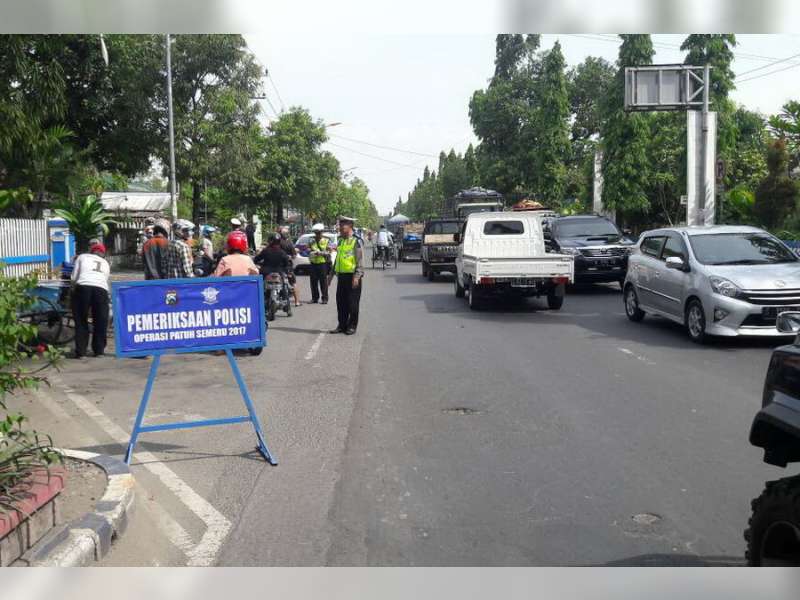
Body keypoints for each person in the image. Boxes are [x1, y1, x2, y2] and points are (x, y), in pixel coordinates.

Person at [70, 243, 111, 358]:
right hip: (101, 290)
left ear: (91, 251)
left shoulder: (82, 257)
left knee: (81, 319)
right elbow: (105, 278)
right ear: (103, 254)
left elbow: (74, 277)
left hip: (83, 287)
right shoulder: (106, 263)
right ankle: (99, 351)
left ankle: (81, 352)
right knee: (100, 320)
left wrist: (73, 289)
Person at [329, 216, 364, 335]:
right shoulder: (340, 241)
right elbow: (337, 260)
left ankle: (352, 326)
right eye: (339, 226)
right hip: (342, 277)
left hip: (352, 277)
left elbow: (359, 261)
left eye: (342, 226)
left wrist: (357, 276)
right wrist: (330, 276)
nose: (339, 229)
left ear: (350, 226)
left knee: (352, 303)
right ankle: (342, 325)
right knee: (341, 302)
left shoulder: (356, 241)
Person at [308, 223, 331, 304]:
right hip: (313, 263)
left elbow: (329, 251)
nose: (317, 234)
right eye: (316, 232)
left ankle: (325, 298)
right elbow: (308, 249)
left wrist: (321, 253)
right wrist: (310, 252)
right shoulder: (311, 240)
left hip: (322, 264)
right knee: (313, 282)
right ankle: (314, 298)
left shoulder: (327, 240)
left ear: (322, 232)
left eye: (319, 232)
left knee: (323, 282)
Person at [279, 226, 301, 307]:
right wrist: (290, 257)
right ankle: (297, 302)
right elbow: (294, 255)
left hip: (278, 266)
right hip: (288, 266)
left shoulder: (276, 243)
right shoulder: (289, 243)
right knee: (293, 283)